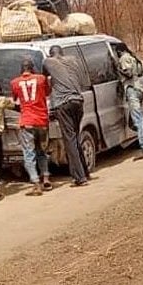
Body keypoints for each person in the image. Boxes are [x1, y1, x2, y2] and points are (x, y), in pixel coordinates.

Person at [43, 45, 91, 187]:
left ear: (51, 54)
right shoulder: (73, 60)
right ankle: (85, 172)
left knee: (69, 141)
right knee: (75, 137)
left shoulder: (48, 62)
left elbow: (44, 77)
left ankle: (79, 178)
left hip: (63, 104)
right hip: (78, 101)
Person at [11, 59, 53, 196]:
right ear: (32, 68)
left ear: (21, 69)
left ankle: (35, 183)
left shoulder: (15, 82)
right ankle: (46, 177)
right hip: (42, 120)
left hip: (27, 121)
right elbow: (47, 93)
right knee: (42, 151)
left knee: (29, 153)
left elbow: (16, 99)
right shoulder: (41, 78)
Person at [115, 44, 143, 160]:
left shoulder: (124, 59)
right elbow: (142, 72)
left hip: (132, 90)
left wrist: (118, 69)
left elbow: (129, 73)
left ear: (119, 51)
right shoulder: (134, 58)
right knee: (133, 122)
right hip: (139, 89)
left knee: (138, 121)